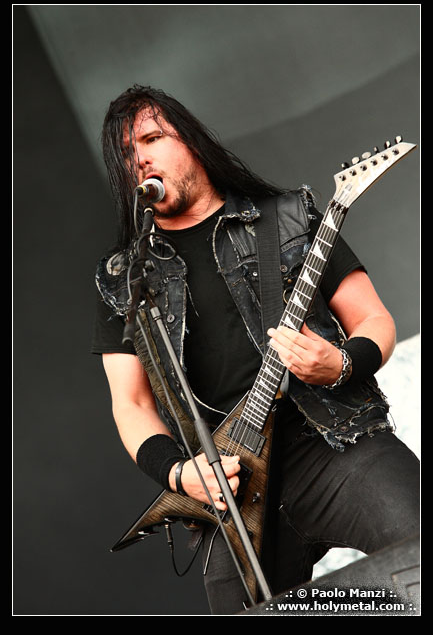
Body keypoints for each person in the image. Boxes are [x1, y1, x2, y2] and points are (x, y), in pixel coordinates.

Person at [91, 85, 420, 615]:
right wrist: (180, 474)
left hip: (335, 446)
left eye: (151, 139)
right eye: (126, 153)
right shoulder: (125, 277)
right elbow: (130, 403)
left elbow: (373, 320)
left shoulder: (287, 219)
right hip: (235, 487)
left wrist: (340, 364)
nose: (140, 159)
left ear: (191, 141)